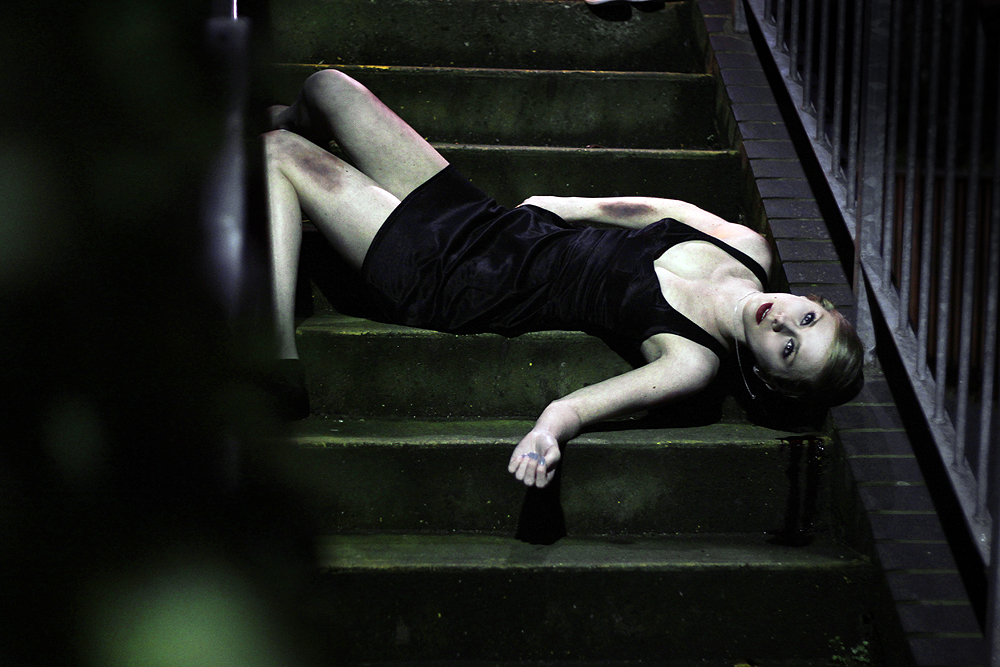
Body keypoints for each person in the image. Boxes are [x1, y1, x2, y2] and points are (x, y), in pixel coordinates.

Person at [263, 69, 863, 488]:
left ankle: (276, 353)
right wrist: (565, 205)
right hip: (489, 223)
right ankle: (276, 164)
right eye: (807, 318)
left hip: (455, 279)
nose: (783, 323)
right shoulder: (749, 247)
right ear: (813, 300)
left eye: (789, 348)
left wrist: (547, 433)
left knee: (278, 151)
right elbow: (653, 210)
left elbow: (576, 408)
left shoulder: (693, 360)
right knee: (327, 88)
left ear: (769, 376)